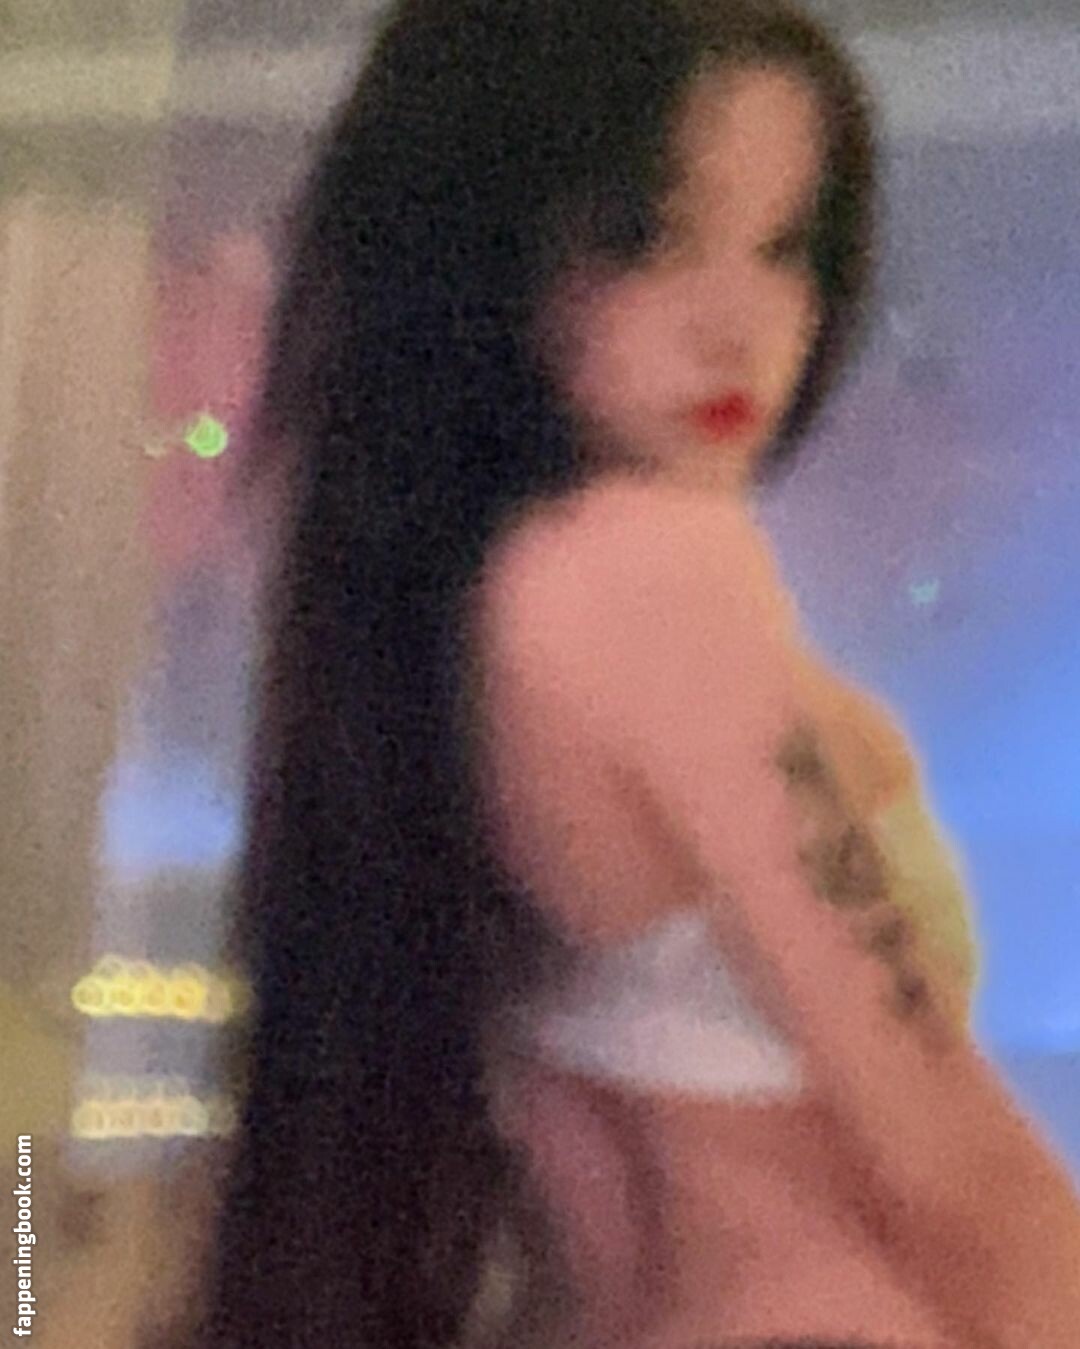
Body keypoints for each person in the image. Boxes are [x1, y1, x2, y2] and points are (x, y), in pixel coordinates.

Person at [190, 2, 1080, 1348]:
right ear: (488, 245)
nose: (740, 328)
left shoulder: (445, 615)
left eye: (785, 249)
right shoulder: (655, 573)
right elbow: (944, 1150)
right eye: (650, 239)